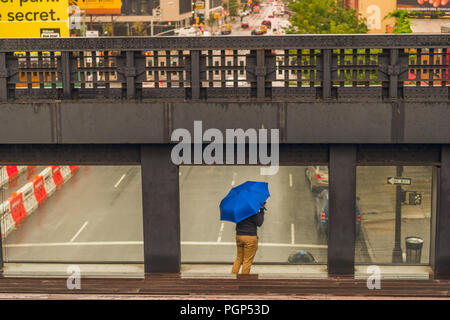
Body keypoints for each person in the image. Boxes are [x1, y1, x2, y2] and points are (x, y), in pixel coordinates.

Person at [231, 202, 267, 275]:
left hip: (239, 236)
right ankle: (243, 281)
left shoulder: (239, 210)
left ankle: (232, 278)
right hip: (250, 237)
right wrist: (262, 210)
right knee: (247, 260)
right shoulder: (252, 210)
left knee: (239, 258)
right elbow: (259, 223)